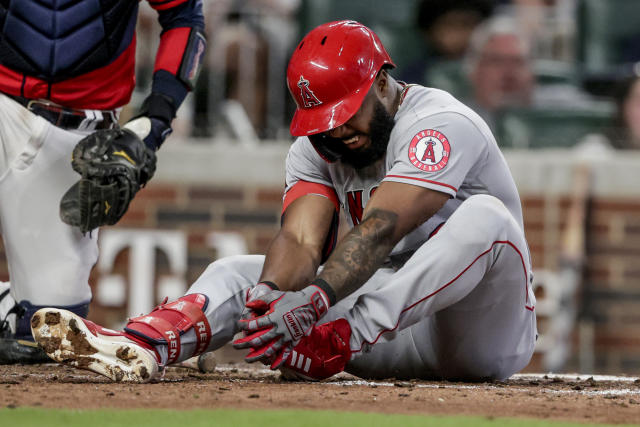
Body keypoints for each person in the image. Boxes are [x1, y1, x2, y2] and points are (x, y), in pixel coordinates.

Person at [31, 20, 537, 383]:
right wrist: (273, 301)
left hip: (477, 332)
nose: (338, 129)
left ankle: (340, 335)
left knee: (485, 218)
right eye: (325, 119)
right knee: (238, 272)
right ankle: (144, 344)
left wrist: (316, 300)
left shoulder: (438, 123)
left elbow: (383, 225)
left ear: (383, 82)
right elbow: (300, 238)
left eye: (347, 111)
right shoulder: (316, 146)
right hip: (387, 337)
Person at [0, 0, 206, 363]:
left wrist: (154, 121)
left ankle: (8, 308)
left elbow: (183, 15)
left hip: (76, 129)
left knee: (47, 331)